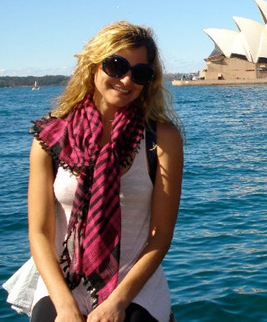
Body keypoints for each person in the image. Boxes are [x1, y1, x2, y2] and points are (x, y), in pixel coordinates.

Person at [27, 22, 183, 322]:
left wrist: (117, 302)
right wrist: (65, 306)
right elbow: (39, 232)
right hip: (62, 282)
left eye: (140, 73)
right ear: (93, 66)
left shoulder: (162, 138)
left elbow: (161, 235)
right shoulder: (51, 136)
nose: (126, 80)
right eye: (116, 66)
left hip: (135, 285)